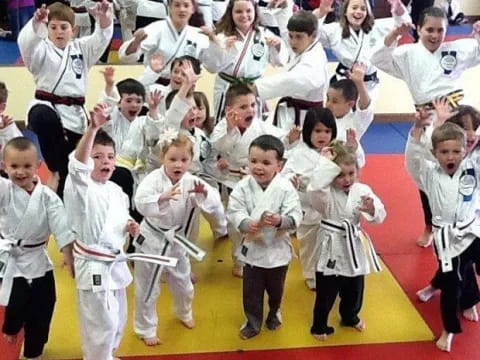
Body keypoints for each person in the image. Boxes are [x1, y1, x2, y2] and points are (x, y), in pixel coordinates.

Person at [371, 5, 480, 247]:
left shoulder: (456, 48)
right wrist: (393, 36)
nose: (434, 35)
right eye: (429, 29)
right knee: (427, 171)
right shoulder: (408, 54)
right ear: (418, 29)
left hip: (459, 112)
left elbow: (478, 49)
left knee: (468, 168)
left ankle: (469, 221)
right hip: (428, 116)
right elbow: (378, 58)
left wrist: (478, 32)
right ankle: (432, 225)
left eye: (440, 30)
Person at [63, 104, 140, 360]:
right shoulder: (80, 186)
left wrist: (130, 225)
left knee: (118, 318)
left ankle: (107, 355)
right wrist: (93, 127)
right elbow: (78, 165)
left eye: (109, 156)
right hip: (94, 263)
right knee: (100, 322)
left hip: (114, 261)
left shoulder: (115, 190)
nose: (105, 161)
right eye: (97, 156)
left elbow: (120, 217)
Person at [133, 131, 224, 346]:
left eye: (184, 159)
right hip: (152, 239)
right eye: (172, 159)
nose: (178, 164)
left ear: (190, 161)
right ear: (163, 157)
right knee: (147, 287)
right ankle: (145, 328)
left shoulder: (192, 181)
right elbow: (141, 202)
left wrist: (203, 194)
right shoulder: (153, 179)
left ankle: (184, 312)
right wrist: (160, 198)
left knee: (183, 284)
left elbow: (214, 202)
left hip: (176, 241)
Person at [17, 0, 113, 197]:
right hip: (46, 106)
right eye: (52, 27)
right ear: (47, 29)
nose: (59, 32)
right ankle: (57, 171)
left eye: (64, 27)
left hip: (75, 113)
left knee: (75, 164)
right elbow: (26, 43)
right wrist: (36, 24)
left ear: (73, 29)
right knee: (44, 117)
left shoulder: (81, 49)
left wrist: (103, 19)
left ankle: (61, 181)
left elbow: (101, 39)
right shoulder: (40, 50)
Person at [406, 120, 480, 352]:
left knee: (469, 268)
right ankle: (449, 329)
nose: (451, 157)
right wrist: (417, 130)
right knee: (452, 286)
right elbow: (413, 160)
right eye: (444, 152)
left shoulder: (473, 168)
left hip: (472, 231)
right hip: (447, 240)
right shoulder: (429, 174)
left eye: (456, 151)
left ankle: (468, 300)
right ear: (434, 153)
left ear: (465, 150)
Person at [0, 136, 74, 360]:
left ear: (38, 167)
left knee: (44, 306)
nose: (20, 172)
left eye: (26, 166)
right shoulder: (4, 191)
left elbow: (61, 224)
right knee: (15, 304)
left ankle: (34, 351)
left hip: (38, 259)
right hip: (11, 258)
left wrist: (68, 253)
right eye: (14, 166)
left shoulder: (48, 198)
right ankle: (12, 329)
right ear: (4, 166)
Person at [307, 140, 385, 340]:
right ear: (331, 175)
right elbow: (314, 189)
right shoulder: (325, 194)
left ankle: (350, 316)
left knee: (355, 287)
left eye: (351, 173)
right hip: (331, 244)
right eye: (340, 174)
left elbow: (380, 214)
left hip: (354, 244)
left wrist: (371, 209)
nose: (347, 179)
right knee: (326, 291)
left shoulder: (363, 190)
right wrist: (325, 165)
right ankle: (319, 325)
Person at [227, 134, 302, 339]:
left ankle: (274, 312)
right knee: (251, 291)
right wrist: (244, 222)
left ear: (280, 164)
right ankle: (252, 321)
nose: (258, 167)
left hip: (277, 250)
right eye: (253, 161)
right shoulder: (243, 186)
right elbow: (234, 209)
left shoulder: (286, 188)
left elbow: (295, 214)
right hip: (253, 248)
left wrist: (280, 220)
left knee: (275, 290)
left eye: (266, 162)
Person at [281, 106, 338, 290]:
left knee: (331, 243)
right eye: (317, 130)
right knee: (310, 244)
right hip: (308, 206)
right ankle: (311, 274)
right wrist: (292, 179)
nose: (323, 135)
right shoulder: (299, 152)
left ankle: (332, 271)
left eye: (327, 131)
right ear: (308, 131)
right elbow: (286, 171)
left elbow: (352, 165)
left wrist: (353, 147)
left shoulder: (336, 150)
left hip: (330, 205)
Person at [201, 0, 285, 122]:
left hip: (252, 89)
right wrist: (220, 49)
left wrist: (277, 46)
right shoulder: (221, 35)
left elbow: (279, 62)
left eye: (248, 11)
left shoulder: (264, 34)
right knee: (226, 126)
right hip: (227, 87)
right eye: (239, 11)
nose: (244, 15)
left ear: (255, 12)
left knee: (252, 128)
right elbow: (211, 68)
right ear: (231, 13)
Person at [313, 0, 411, 100]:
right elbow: (313, 33)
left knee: (364, 113)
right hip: (342, 82)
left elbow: (403, 24)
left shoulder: (377, 27)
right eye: (354, 8)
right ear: (345, 12)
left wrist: (398, 10)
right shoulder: (334, 30)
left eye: (363, 9)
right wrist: (320, 13)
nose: (358, 11)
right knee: (339, 113)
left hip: (368, 84)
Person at [252, 10, 329, 131]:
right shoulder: (305, 48)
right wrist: (284, 7)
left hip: (306, 118)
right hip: (290, 112)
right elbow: (284, 33)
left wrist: (257, 87)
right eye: (291, 36)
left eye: (299, 37)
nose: (293, 42)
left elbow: (295, 80)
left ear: (313, 36)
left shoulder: (315, 58)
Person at [118, 0, 210, 85]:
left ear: (192, 8)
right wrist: (136, 42)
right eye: (177, 5)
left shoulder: (198, 34)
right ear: (170, 7)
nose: (182, 9)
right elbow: (125, 57)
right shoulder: (157, 28)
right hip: (154, 83)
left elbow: (214, 66)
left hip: (185, 87)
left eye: (186, 6)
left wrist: (214, 42)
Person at [325, 63, 374, 168]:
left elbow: (365, 107)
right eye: (328, 99)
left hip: (348, 170)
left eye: (335, 101)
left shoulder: (355, 122)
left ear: (350, 104)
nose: (328, 104)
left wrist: (359, 83)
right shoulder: (322, 118)